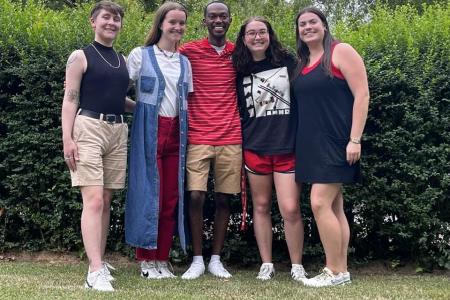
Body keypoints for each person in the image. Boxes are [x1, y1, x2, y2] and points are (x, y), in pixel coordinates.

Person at [293, 7, 370, 287]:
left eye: (313, 22)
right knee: (335, 206)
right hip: (312, 144)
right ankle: (343, 271)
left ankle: (334, 271)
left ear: (324, 25)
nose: (308, 27)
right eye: (302, 24)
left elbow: (362, 94)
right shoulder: (303, 60)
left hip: (339, 141)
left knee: (319, 202)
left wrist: (355, 139)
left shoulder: (341, 51)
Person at [61, 1, 134, 292]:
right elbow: (70, 99)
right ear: (93, 21)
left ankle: (100, 261)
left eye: (116, 19)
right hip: (88, 128)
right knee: (93, 201)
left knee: (106, 201)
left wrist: (143, 108)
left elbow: (119, 99)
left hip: (118, 130)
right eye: (106, 17)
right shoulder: (80, 56)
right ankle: (94, 271)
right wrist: (67, 138)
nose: (111, 23)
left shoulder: (123, 59)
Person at [232, 16, 306, 282]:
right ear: (243, 38)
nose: (257, 37)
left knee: (290, 208)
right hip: (255, 146)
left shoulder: (287, 61)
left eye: (262, 31)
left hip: (287, 145)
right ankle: (267, 263)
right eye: (251, 33)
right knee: (261, 206)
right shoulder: (238, 67)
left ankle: (297, 265)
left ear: (270, 34)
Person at [124, 2, 193, 280]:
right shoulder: (141, 55)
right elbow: (118, 93)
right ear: (161, 24)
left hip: (178, 133)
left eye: (181, 23)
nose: (177, 27)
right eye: (172, 22)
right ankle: (146, 261)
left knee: (170, 199)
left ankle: (163, 259)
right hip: (149, 131)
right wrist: (140, 109)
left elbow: (186, 102)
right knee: (148, 195)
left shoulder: (185, 62)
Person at [179, 0, 242, 280]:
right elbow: (159, 58)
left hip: (231, 136)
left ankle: (216, 259)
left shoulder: (238, 53)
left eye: (223, 16)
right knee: (195, 196)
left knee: (225, 199)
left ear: (230, 20)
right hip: (198, 135)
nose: (218, 20)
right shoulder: (189, 50)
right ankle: (196, 259)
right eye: (212, 16)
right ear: (204, 21)